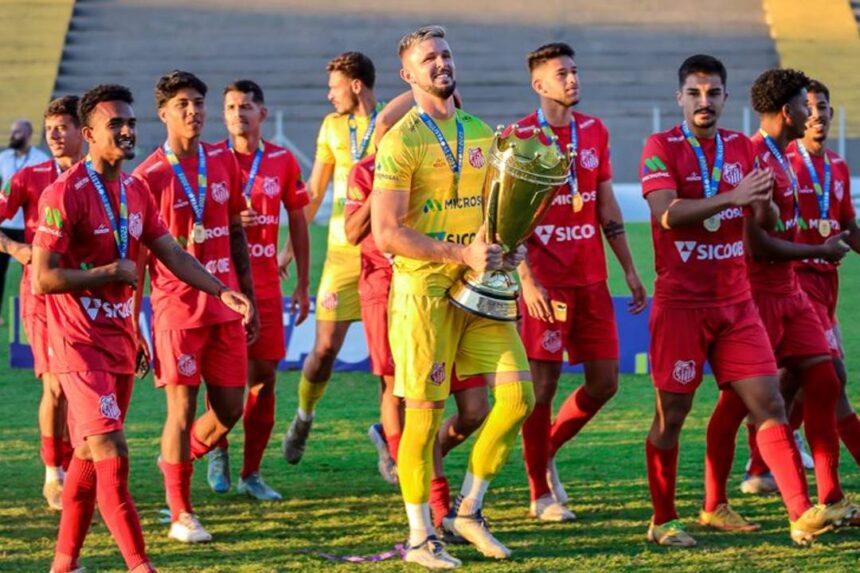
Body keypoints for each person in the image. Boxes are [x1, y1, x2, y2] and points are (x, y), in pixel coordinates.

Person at [33, 82, 251, 573]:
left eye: (131, 122)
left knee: (90, 459)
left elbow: (170, 251)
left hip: (119, 339)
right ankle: (140, 565)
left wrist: (220, 289)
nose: (128, 130)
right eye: (116, 124)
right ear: (89, 134)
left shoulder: (134, 190)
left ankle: (63, 565)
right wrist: (105, 274)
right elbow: (44, 277)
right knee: (112, 449)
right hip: (77, 342)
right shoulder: (63, 193)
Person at [639, 55, 849, 547]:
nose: (704, 102)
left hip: (736, 304)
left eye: (713, 93)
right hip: (683, 305)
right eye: (695, 93)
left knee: (770, 402)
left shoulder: (739, 147)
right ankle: (663, 520)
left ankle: (802, 513)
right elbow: (666, 214)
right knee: (672, 414)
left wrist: (765, 202)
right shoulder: (660, 146)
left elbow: (766, 221)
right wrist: (733, 196)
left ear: (726, 98)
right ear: (681, 98)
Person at [372, 25, 534, 568]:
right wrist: (458, 254)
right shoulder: (402, 140)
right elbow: (386, 232)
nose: (441, 63)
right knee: (422, 419)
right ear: (408, 75)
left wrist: (507, 250)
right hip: (423, 293)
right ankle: (420, 539)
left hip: (480, 286)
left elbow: (497, 217)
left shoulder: (481, 131)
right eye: (428, 58)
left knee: (518, 399)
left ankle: (466, 511)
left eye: (445, 54)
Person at [706, 68, 858, 529]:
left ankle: (829, 497)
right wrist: (818, 250)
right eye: (803, 105)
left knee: (828, 379)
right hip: (755, 296)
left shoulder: (786, 154)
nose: (810, 113)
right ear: (785, 110)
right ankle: (715, 502)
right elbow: (756, 246)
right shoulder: (753, 157)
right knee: (738, 402)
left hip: (790, 290)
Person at [514, 42, 647, 521]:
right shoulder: (519, 137)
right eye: (561, 73)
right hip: (545, 283)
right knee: (542, 388)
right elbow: (505, 220)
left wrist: (628, 267)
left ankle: (546, 451)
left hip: (591, 279)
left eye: (574, 71)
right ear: (539, 84)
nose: (572, 80)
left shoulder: (594, 131)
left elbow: (605, 203)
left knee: (605, 382)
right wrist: (526, 279)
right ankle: (539, 493)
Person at [133, 70, 259, 543]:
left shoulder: (222, 160)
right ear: (163, 112)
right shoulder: (148, 177)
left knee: (230, 410)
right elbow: (139, 258)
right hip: (175, 310)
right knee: (180, 411)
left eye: (200, 102)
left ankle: (175, 461)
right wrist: (135, 322)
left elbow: (236, 233)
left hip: (226, 305)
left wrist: (249, 296)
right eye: (183, 104)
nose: (194, 111)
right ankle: (181, 511)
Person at [204, 79, 311, 499]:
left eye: (246, 106)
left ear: (262, 113)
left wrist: (302, 283)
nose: (238, 114)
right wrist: (230, 218)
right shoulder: (210, 160)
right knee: (222, 379)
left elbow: (298, 221)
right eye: (230, 107)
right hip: (222, 284)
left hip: (266, 284)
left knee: (263, 380)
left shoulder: (282, 161)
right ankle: (217, 447)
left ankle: (251, 473)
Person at [282, 51, 384, 465]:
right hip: (342, 257)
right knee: (323, 350)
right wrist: (291, 246)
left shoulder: (392, 125)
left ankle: (388, 436)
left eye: (334, 87)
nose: (329, 95)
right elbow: (313, 191)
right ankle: (304, 416)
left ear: (355, 85)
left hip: (385, 255)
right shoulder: (331, 128)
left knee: (390, 358)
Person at [0, 96, 84, 510]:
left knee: (86, 386)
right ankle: (55, 473)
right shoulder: (29, 177)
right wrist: (15, 249)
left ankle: (81, 468)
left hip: (90, 295)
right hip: (44, 297)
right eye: (48, 126)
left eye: (62, 126)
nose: (53, 134)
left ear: (83, 130)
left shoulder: (100, 178)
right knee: (56, 385)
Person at [786, 79, 860, 467]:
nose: (817, 115)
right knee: (833, 377)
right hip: (796, 280)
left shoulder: (838, 166)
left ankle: (768, 453)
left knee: (795, 382)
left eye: (824, 106)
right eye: (810, 107)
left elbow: (847, 223)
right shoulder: (784, 161)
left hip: (828, 285)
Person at [0, 118, 49, 324]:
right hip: (5, 225)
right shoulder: (3, 158)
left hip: (29, 227)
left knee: (32, 274)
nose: (14, 136)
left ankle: (31, 313)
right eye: (12, 131)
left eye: (18, 132)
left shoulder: (41, 159)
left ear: (30, 135)